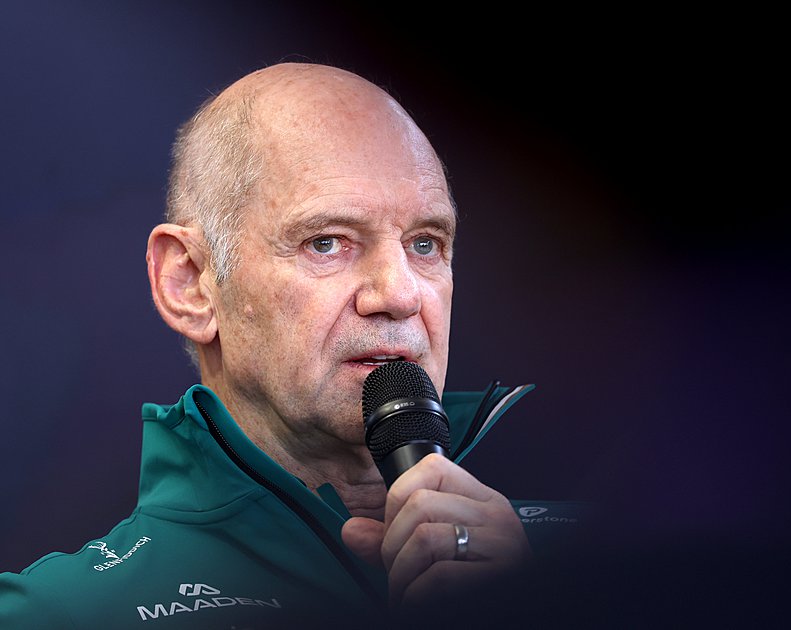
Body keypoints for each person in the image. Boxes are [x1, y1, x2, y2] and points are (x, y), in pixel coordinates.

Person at [0, 62, 583, 628]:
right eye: (327, 242)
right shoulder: (62, 615)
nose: (400, 294)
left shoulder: (601, 561)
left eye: (425, 244)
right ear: (191, 285)